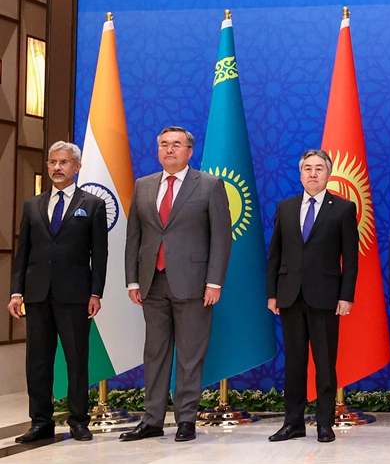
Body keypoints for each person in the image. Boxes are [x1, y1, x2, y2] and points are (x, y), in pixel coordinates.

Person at [120, 126, 231, 443]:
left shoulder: (209, 185)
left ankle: (186, 420)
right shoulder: (143, 186)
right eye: (164, 145)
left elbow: (221, 239)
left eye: (176, 145)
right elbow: (134, 238)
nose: (169, 150)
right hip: (152, 283)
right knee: (154, 354)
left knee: (190, 355)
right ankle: (152, 419)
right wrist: (132, 280)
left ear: (189, 151)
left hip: (195, 285)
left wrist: (214, 282)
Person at [8, 141, 108, 443]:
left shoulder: (92, 205)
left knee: (77, 359)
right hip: (37, 294)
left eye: (63, 162)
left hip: (75, 295)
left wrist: (95, 293)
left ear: (76, 167)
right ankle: (40, 421)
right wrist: (16, 292)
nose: (56, 168)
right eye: (52, 162)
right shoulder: (32, 205)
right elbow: (22, 252)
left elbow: (99, 255)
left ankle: (78, 420)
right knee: (37, 361)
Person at [266, 149, 358, 444]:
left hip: (326, 297)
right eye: (308, 168)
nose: (313, 173)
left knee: (325, 363)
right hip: (290, 296)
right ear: (300, 173)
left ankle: (324, 424)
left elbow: (351, 258)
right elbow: (275, 254)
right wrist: (273, 294)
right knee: (294, 363)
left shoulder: (343, 208)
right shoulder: (286, 207)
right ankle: (292, 422)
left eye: (319, 168)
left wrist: (346, 296)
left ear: (328, 174)